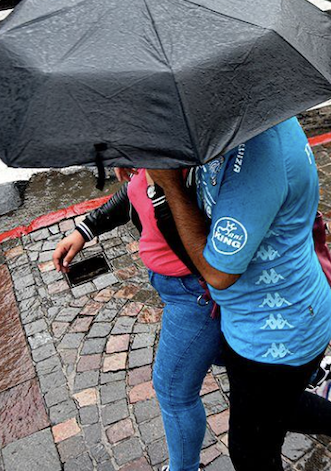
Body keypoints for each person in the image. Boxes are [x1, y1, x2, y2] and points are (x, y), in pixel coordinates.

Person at [155, 116, 331, 471]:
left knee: (251, 452)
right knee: (277, 407)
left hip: (273, 336)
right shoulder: (241, 125)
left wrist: (168, 187)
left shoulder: (258, 152)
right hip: (272, 321)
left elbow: (218, 272)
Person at [52, 167, 222, 471]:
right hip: (177, 288)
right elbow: (134, 193)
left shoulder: (180, 159)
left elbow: (177, 214)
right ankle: (313, 373)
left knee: (173, 390)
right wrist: (85, 230)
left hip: (194, 295)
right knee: (239, 363)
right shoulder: (150, 157)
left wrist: (159, 175)